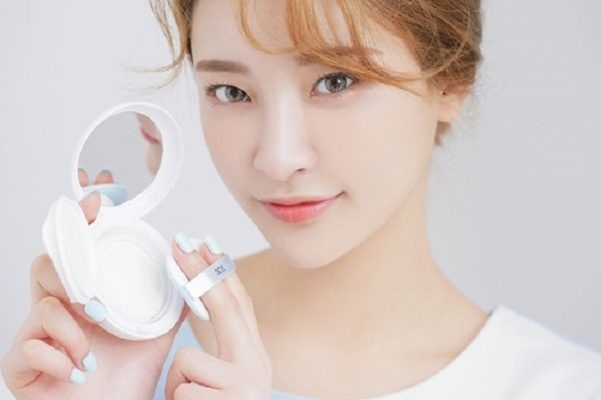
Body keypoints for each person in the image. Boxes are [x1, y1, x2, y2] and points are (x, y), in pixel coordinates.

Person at [2, 0, 601, 399]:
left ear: (450, 83)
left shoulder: (564, 389)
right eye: (231, 90)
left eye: (336, 80)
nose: (277, 157)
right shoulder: (110, 359)